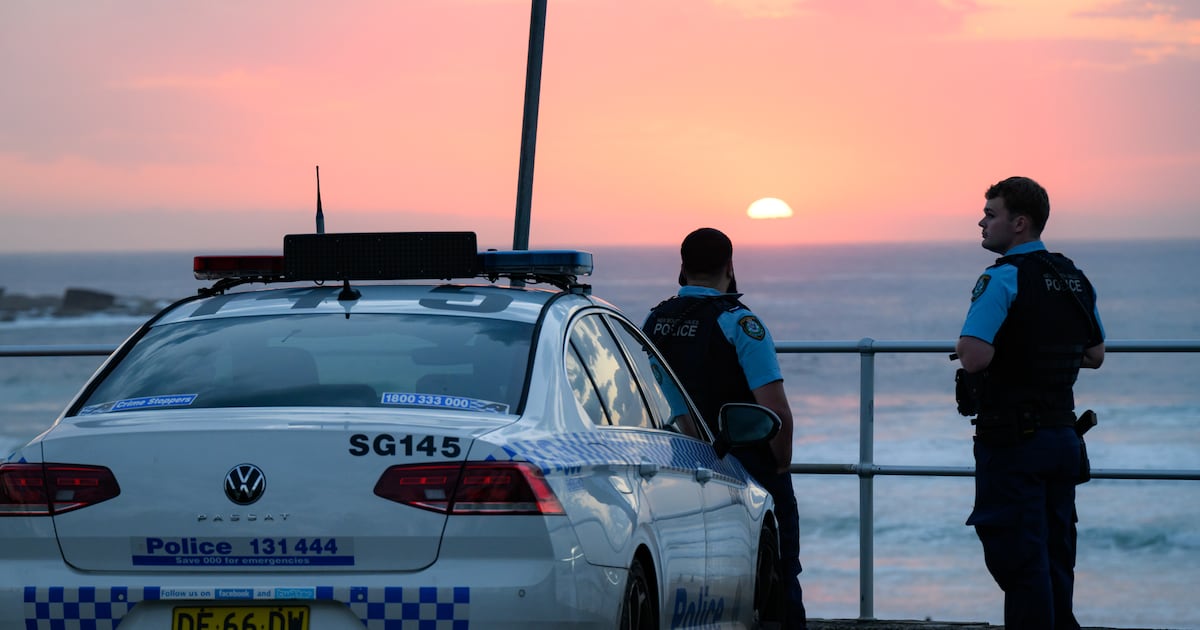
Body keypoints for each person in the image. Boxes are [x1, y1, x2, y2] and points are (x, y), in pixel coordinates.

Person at [954, 176, 1105, 629]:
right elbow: (1094, 355)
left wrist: (1008, 346)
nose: (982, 222)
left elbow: (974, 355)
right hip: (1063, 438)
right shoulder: (1072, 277)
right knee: (1057, 557)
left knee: (1018, 562)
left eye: (991, 214)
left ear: (1019, 223)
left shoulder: (1002, 278)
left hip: (1013, 442)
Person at [643, 227, 807, 628]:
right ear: (730, 266)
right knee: (776, 576)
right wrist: (781, 464)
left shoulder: (654, 320)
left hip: (678, 465)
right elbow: (776, 412)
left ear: (682, 267)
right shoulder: (740, 323)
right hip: (745, 466)